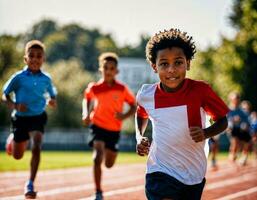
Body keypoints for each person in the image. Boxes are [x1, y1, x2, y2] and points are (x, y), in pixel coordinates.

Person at [135, 28, 229, 200]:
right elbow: (141, 114)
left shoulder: (201, 91)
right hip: (160, 170)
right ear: (154, 66)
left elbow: (222, 121)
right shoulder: (147, 95)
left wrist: (206, 133)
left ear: (188, 63)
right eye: (164, 64)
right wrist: (139, 136)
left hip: (193, 173)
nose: (171, 69)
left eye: (178, 62)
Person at [2, 40, 57, 199]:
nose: (35, 59)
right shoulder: (18, 77)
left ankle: (30, 183)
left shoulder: (46, 79)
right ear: (25, 59)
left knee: (37, 145)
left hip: (38, 117)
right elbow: (4, 94)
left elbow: (52, 95)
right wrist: (14, 105)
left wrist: (52, 101)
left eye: (38, 56)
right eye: (31, 56)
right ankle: (13, 139)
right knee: (18, 155)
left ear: (43, 59)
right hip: (20, 119)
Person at [82, 52, 136, 200]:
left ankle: (110, 152)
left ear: (116, 71)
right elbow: (86, 99)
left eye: (112, 68)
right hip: (97, 125)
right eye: (106, 68)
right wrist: (86, 113)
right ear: (101, 69)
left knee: (109, 164)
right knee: (97, 157)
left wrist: (124, 116)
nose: (108, 71)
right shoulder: (95, 87)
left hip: (114, 129)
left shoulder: (122, 89)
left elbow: (133, 105)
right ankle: (98, 192)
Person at [227, 92, 251, 165]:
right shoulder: (228, 109)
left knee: (242, 143)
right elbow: (225, 120)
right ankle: (232, 157)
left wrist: (246, 125)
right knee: (235, 142)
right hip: (231, 129)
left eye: (237, 99)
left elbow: (247, 120)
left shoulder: (241, 110)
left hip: (240, 129)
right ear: (231, 99)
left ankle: (235, 156)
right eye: (235, 99)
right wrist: (232, 120)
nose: (236, 100)